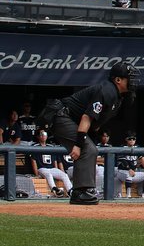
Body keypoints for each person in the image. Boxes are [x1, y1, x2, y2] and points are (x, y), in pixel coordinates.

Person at [39, 60, 137, 205]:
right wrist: (78, 145)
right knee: (87, 148)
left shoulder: (118, 97)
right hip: (61, 116)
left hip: (74, 121)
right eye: (130, 78)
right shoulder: (107, 91)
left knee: (91, 149)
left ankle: (81, 191)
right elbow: (87, 117)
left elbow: (95, 124)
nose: (133, 81)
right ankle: (82, 191)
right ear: (118, 80)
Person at [30, 130, 71, 196]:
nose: (43, 136)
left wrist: (57, 169)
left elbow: (54, 160)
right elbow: (33, 160)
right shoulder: (35, 146)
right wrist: (36, 174)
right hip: (42, 168)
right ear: (38, 136)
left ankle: (70, 190)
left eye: (45, 134)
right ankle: (54, 189)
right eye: (41, 134)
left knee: (64, 175)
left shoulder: (51, 146)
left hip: (52, 168)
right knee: (48, 174)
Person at [113, 132, 144, 198]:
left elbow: (142, 159)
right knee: (128, 175)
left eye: (133, 139)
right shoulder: (122, 148)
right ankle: (128, 195)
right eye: (130, 139)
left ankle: (143, 196)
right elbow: (123, 161)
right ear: (126, 139)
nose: (132, 140)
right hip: (121, 172)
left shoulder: (137, 147)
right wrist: (129, 169)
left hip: (133, 172)